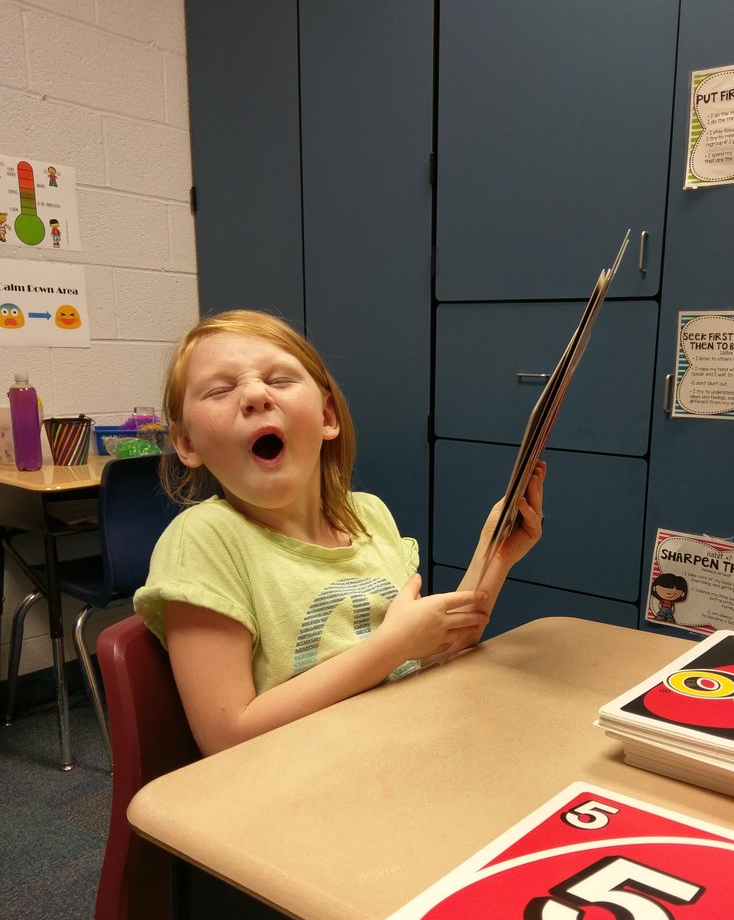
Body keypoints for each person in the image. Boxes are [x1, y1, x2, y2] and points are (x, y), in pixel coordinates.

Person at [135, 309, 545, 755]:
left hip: (401, 750)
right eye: (220, 389)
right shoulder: (203, 540)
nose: (255, 395)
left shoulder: (368, 515)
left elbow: (435, 648)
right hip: (299, 785)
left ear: (327, 415)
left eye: (279, 380)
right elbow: (225, 736)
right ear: (187, 443)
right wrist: (390, 648)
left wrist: (495, 555)